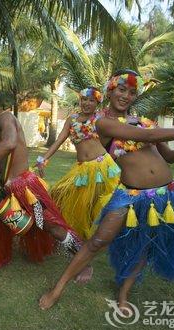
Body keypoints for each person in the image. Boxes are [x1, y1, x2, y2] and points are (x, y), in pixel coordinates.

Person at [39, 69, 174, 313]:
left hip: (166, 195)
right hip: (130, 195)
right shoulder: (102, 122)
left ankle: (123, 294)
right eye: (122, 89)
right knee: (98, 241)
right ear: (110, 90)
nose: (126, 95)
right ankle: (57, 288)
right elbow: (150, 135)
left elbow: (170, 156)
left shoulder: (143, 121)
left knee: (143, 246)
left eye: (132, 92)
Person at [0, 77, 90, 280]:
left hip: (26, 188)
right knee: (4, 223)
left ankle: (83, 263)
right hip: (4, 188)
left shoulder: (6, 119)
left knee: (49, 224)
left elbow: (9, 143)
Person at [36, 87, 120, 240]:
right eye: (84, 99)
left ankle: (100, 237)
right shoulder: (72, 119)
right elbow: (59, 140)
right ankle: (70, 235)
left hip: (102, 166)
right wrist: (44, 158)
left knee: (103, 204)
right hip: (82, 169)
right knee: (58, 195)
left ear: (97, 103)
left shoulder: (100, 119)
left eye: (91, 100)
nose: (87, 103)